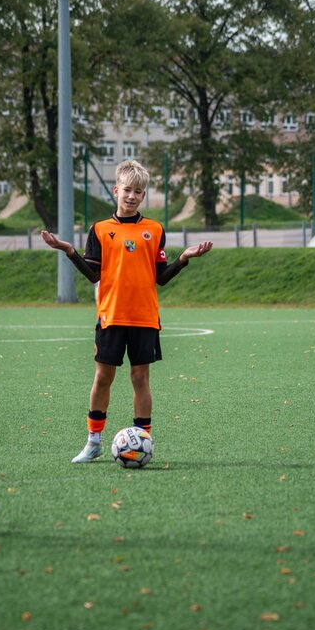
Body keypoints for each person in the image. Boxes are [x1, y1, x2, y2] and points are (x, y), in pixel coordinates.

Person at [39, 160, 213, 463]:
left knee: (140, 377)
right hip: (111, 315)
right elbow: (93, 274)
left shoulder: (154, 230)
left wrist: (183, 258)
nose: (132, 196)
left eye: (138, 192)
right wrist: (69, 251)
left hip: (144, 316)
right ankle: (93, 441)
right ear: (116, 190)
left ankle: (141, 441)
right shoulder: (100, 229)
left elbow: (161, 277)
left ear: (143, 195)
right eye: (128, 190)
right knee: (103, 377)